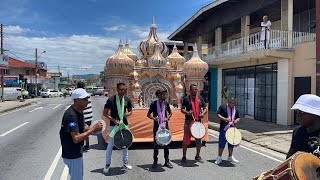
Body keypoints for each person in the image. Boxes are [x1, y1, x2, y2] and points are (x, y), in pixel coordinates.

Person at [59, 88, 103, 180]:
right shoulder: (71, 116)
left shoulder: (79, 111)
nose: (87, 101)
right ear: (76, 100)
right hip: (72, 154)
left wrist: (92, 128)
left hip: (76, 152)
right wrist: (93, 129)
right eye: (84, 99)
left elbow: (83, 126)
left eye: (87, 98)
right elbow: (76, 138)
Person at [103, 83, 133, 174]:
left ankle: (125, 162)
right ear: (117, 89)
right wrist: (113, 119)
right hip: (114, 125)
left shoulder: (127, 100)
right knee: (110, 145)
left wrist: (126, 115)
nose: (123, 91)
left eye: (124, 90)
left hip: (123, 125)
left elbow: (130, 111)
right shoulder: (111, 100)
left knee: (125, 144)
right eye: (121, 90)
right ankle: (107, 164)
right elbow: (105, 113)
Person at [180, 84, 208, 164]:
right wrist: (187, 112)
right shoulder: (186, 99)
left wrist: (203, 113)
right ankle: (184, 156)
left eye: (196, 89)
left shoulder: (200, 98)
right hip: (189, 121)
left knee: (198, 140)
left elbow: (205, 108)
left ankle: (197, 156)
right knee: (186, 139)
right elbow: (182, 109)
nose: (195, 91)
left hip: (198, 121)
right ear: (190, 90)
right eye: (193, 89)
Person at [286, 94, 320, 159]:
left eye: (301, 112)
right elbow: (290, 159)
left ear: (315, 114)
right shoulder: (298, 132)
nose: (297, 116)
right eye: (297, 112)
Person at [147, 89, 173, 169]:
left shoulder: (166, 103)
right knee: (156, 144)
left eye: (165, 94)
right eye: (163, 94)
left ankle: (167, 161)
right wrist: (154, 118)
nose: (165, 96)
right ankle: (155, 162)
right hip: (156, 127)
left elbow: (170, 113)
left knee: (166, 144)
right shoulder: (153, 104)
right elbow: (148, 115)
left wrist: (167, 118)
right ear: (158, 95)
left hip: (165, 126)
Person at [215, 97, 240, 165]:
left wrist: (236, 120)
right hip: (224, 128)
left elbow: (238, 117)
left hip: (232, 129)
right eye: (230, 102)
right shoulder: (223, 107)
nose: (231, 104)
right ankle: (219, 157)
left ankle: (230, 156)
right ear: (228, 102)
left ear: (235, 103)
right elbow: (218, 114)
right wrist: (224, 119)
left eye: (233, 103)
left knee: (231, 143)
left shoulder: (235, 110)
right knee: (222, 143)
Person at [77, 81, 93, 151]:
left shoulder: (79, 95)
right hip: (89, 115)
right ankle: (87, 144)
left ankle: (83, 145)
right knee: (86, 130)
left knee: (82, 131)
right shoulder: (87, 94)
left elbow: (80, 106)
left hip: (84, 115)